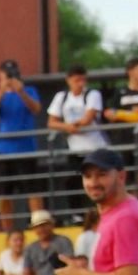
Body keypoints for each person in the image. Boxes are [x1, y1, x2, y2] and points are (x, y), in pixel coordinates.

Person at [52, 149, 138, 275]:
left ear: (121, 177)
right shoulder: (122, 211)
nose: (93, 183)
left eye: (102, 175)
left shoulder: (124, 218)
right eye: (87, 176)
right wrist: (81, 271)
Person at [0, 59, 44, 229]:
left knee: (33, 191)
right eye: (6, 76)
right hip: (3, 151)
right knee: (3, 194)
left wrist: (21, 92)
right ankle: (7, 230)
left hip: (26, 150)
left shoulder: (30, 91)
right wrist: (2, 91)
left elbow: (36, 109)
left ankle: (38, 224)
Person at [47, 64, 109, 214]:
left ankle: (102, 211)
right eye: (76, 80)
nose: (80, 83)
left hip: (95, 148)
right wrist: (67, 127)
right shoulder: (61, 98)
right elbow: (51, 122)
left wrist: (72, 125)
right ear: (69, 80)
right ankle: (78, 215)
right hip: (75, 149)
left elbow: (88, 118)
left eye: (82, 80)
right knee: (74, 182)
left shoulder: (92, 94)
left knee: (97, 183)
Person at [102, 57, 138, 205]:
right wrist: (116, 114)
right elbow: (110, 112)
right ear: (130, 72)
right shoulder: (120, 91)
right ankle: (131, 208)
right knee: (126, 178)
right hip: (124, 139)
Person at [22, 210, 74, 275]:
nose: (41, 229)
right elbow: (27, 273)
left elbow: (69, 265)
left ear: (52, 225)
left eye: (44, 225)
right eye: (38, 227)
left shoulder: (63, 242)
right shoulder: (30, 248)